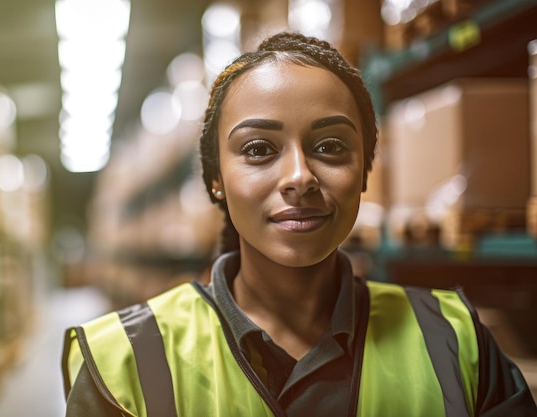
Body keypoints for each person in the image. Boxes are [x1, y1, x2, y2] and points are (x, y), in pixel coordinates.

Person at [61, 32, 537, 416]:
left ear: (366, 170)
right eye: (258, 150)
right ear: (216, 181)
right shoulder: (124, 361)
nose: (299, 178)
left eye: (330, 147)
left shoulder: (455, 343)